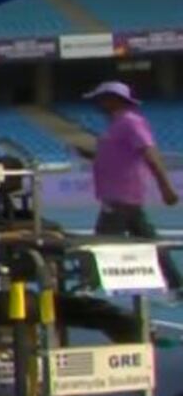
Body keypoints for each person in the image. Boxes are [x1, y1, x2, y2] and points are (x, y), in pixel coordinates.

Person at [76, 81, 181, 291]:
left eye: (101, 99)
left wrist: (166, 187)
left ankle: (89, 284)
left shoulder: (130, 122)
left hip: (121, 196)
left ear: (113, 100)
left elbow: (149, 154)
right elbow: (117, 157)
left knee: (101, 243)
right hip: (120, 195)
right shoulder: (117, 124)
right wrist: (92, 156)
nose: (98, 104)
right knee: (148, 241)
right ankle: (176, 283)